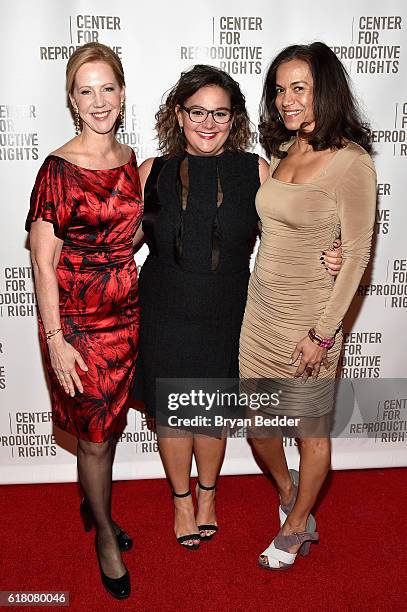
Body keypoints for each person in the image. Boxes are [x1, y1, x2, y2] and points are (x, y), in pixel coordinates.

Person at [133, 64, 341, 550]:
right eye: (197, 112)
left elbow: (286, 236)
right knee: (172, 413)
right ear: (178, 115)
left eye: (220, 113)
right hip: (163, 304)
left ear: (235, 118)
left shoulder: (256, 169)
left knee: (210, 411)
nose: (208, 122)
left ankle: (208, 496)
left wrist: (331, 253)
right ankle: (181, 501)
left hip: (228, 305)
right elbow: (127, 240)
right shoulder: (152, 170)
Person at [239, 42, 376, 570]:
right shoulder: (283, 151)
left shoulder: (351, 163)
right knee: (258, 426)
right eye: (280, 89)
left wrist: (323, 334)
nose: (287, 100)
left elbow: (359, 252)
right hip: (262, 315)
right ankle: (289, 489)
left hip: (310, 319)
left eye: (300, 88)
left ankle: (297, 525)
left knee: (309, 432)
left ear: (326, 90)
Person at [26, 42, 142, 599]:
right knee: (94, 441)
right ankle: (104, 538)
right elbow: (42, 261)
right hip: (75, 323)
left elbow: (128, 236)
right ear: (71, 100)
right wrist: (55, 341)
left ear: (122, 93)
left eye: (108, 88)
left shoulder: (130, 160)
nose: (99, 101)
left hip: (125, 316)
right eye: (86, 91)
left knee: (105, 434)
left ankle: (95, 507)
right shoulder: (57, 169)